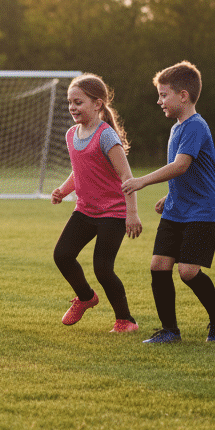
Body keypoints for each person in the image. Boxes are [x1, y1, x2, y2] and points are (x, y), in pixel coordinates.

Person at [121, 61, 215, 344]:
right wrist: (170, 195)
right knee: (159, 265)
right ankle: (170, 331)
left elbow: (182, 165)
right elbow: (187, 171)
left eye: (163, 95)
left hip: (202, 211)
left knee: (187, 272)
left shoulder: (196, 126)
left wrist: (142, 181)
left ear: (183, 95)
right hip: (177, 209)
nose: (159, 101)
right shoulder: (177, 128)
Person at [49, 74, 143, 333]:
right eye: (70, 102)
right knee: (62, 255)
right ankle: (86, 296)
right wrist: (63, 190)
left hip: (113, 213)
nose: (72, 107)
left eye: (78, 102)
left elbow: (127, 177)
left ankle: (126, 321)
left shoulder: (106, 136)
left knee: (103, 268)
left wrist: (132, 214)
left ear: (97, 104)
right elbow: (78, 170)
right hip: (85, 210)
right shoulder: (71, 134)